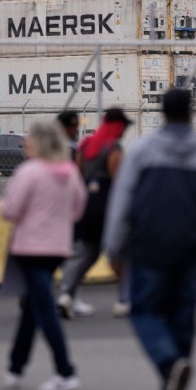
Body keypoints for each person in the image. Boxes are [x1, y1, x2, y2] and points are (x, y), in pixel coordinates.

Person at [105, 89, 196, 390]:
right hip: (191, 250)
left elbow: (121, 205)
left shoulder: (142, 151)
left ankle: (170, 367)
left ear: (161, 113)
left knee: (144, 311)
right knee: (182, 319)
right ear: (191, 113)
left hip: (149, 248)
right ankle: (173, 386)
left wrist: (114, 250)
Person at [0, 121, 86, 390]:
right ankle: (15, 366)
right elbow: (78, 207)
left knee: (43, 306)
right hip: (57, 248)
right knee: (33, 306)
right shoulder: (70, 171)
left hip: (29, 247)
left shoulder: (30, 171)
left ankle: (65, 371)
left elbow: (10, 210)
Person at [57, 108, 132, 320]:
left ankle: (66, 295)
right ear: (118, 127)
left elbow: (78, 176)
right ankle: (124, 300)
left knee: (85, 253)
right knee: (122, 253)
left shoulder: (86, 145)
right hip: (107, 206)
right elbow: (118, 181)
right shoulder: (113, 147)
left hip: (86, 205)